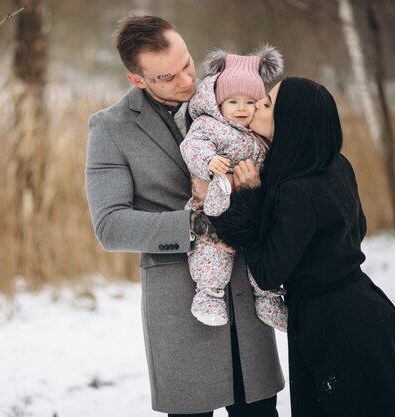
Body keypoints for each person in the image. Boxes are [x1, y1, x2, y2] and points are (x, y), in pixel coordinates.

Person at [85, 15, 284, 417]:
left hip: (247, 295)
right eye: (167, 77)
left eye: (188, 63)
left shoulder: (238, 96)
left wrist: (251, 194)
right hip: (180, 306)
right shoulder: (110, 128)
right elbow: (110, 225)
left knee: (261, 412)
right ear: (137, 80)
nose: (186, 80)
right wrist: (199, 225)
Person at [212, 77, 395, 417]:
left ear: (290, 122)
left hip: (337, 327)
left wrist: (248, 202)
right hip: (363, 309)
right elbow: (358, 229)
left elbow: (269, 272)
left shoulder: (296, 190)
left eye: (267, 104)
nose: (255, 106)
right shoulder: (334, 164)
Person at [179, 46, 287, 331]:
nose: (242, 108)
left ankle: (268, 298)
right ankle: (208, 296)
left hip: (253, 206)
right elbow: (192, 146)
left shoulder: (259, 135)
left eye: (250, 101)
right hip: (218, 202)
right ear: (218, 103)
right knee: (215, 251)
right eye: (233, 101)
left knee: (262, 251)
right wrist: (209, 161)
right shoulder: (209, 126)